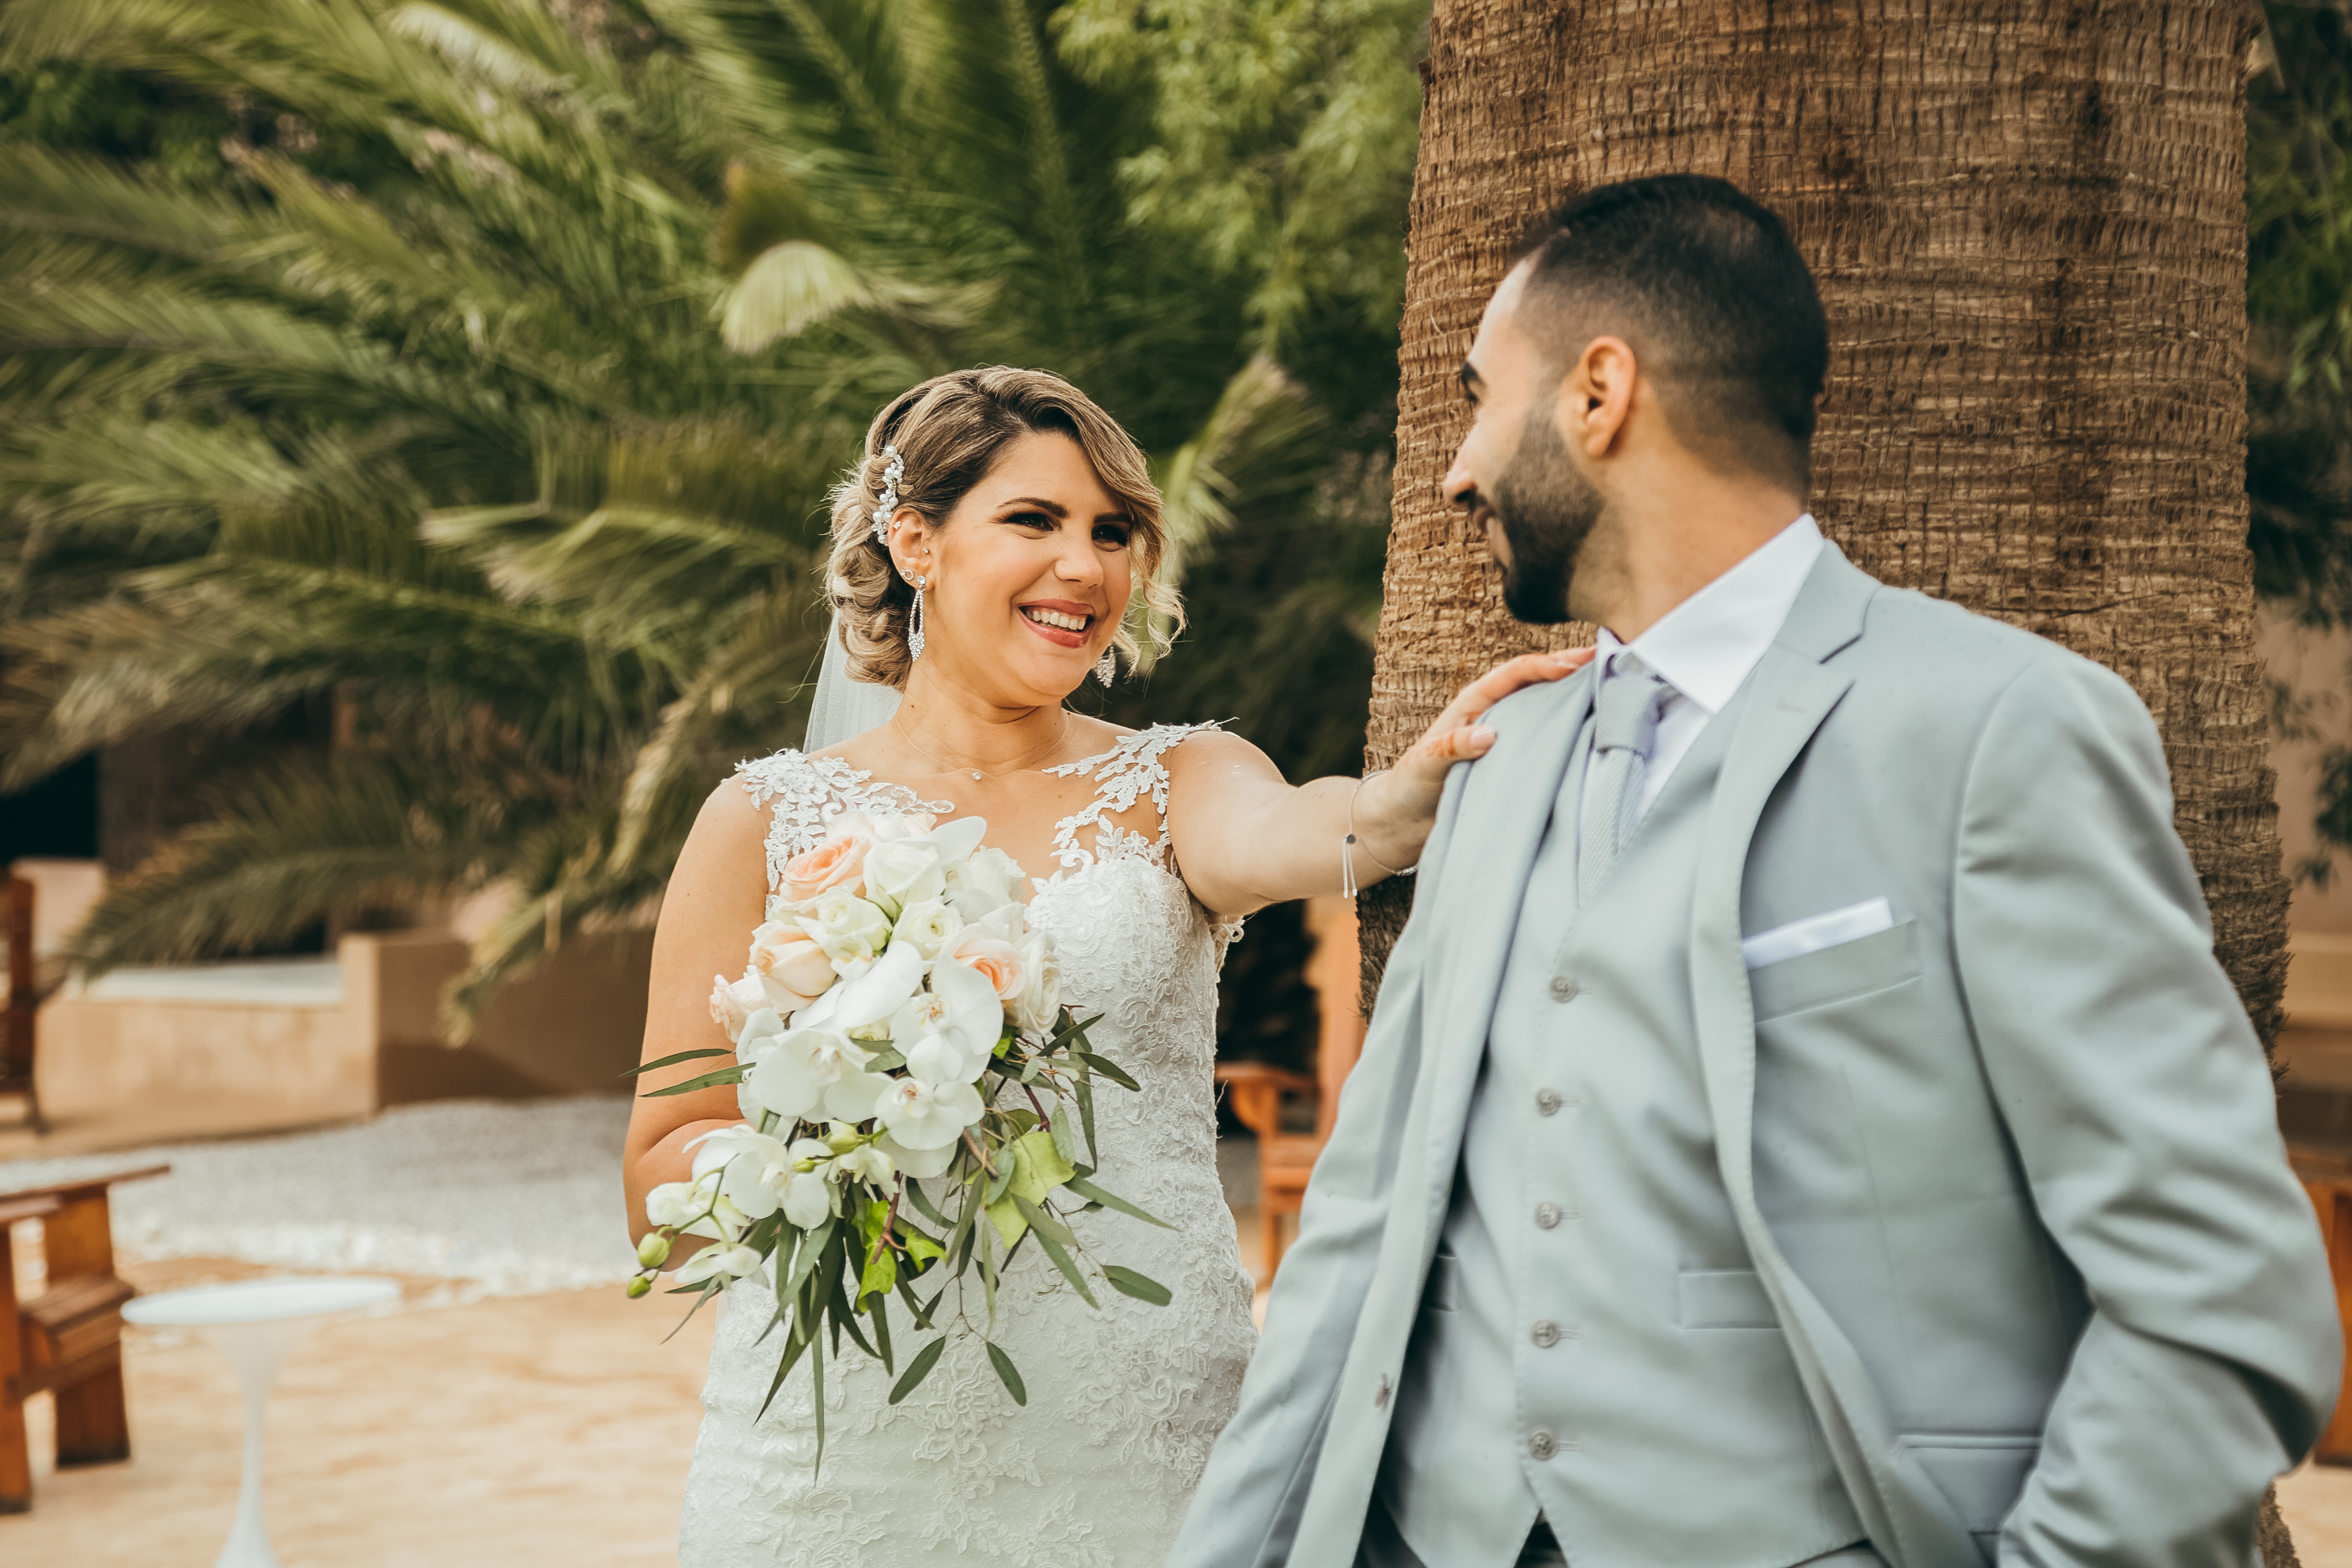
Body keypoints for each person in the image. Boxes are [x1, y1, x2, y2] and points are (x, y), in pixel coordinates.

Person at [1169, 175, 2343, 1568]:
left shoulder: (1996, 728)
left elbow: (2215, 1295)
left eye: (1482, 397)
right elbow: (1359, 1232)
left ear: (1600, 393)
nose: (1458, 467)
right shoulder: (1504, 747)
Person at [623, 365, 1584, 1566]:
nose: (1087, 566)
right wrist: (856, 1146)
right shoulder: (761, 819)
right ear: (914, 540)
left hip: (1138, 1439)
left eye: (1113, 531)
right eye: (1035, 521)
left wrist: (1406, 798)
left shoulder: (1180, 778)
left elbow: (1303, 831)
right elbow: (663, 1172)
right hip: (834, 1463)